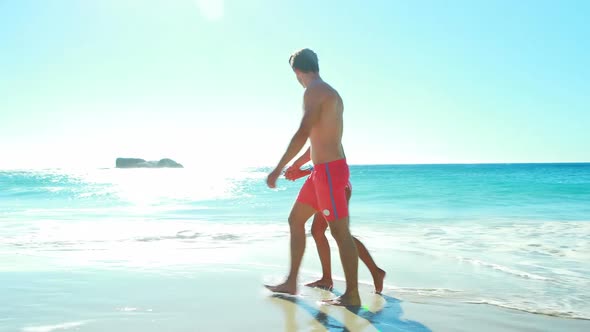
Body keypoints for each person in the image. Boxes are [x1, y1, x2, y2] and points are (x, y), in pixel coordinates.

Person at [265, 48, 359, 306]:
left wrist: (277, 168)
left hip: (329, 173)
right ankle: (291, 281)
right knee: (296, 219)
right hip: (321, 172)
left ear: (296, 72)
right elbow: (317, 140)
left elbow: (303, 132)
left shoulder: (315, 92)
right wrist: (297, 166)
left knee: (340, 232)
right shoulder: (329, 92)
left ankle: (352, 294)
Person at [284, 147, 386, 294]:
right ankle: (326, 279)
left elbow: (318, 152)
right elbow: (320, 159)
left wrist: (295, 166)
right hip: (326, 182)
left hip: (333, 184)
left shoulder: (320, 128)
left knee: (340, 233)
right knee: (318, 231)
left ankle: (374, 272)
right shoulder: (320, 131)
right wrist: (302, 171)